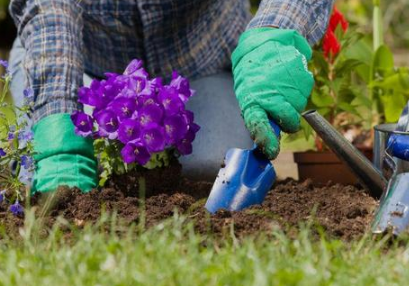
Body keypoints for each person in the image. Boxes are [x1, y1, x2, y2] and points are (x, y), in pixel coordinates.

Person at [8, 0, 334, 193]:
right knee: (52, 174)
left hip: (201, 57)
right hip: (88, 65)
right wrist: (58, 114)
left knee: (211, 170)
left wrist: (275, 31)